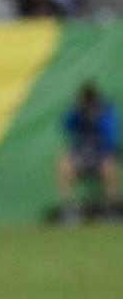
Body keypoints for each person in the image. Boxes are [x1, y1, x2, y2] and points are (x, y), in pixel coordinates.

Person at [55, 82, 119, 222]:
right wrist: (76, 111)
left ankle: (112, 207)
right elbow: (65, 125)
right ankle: (68, 208)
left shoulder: (104, 112)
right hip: (81, 153)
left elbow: (110, 138)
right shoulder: (76, 113)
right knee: (64, 164)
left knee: (109, 165)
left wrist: (98, 116)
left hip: (99, 153)